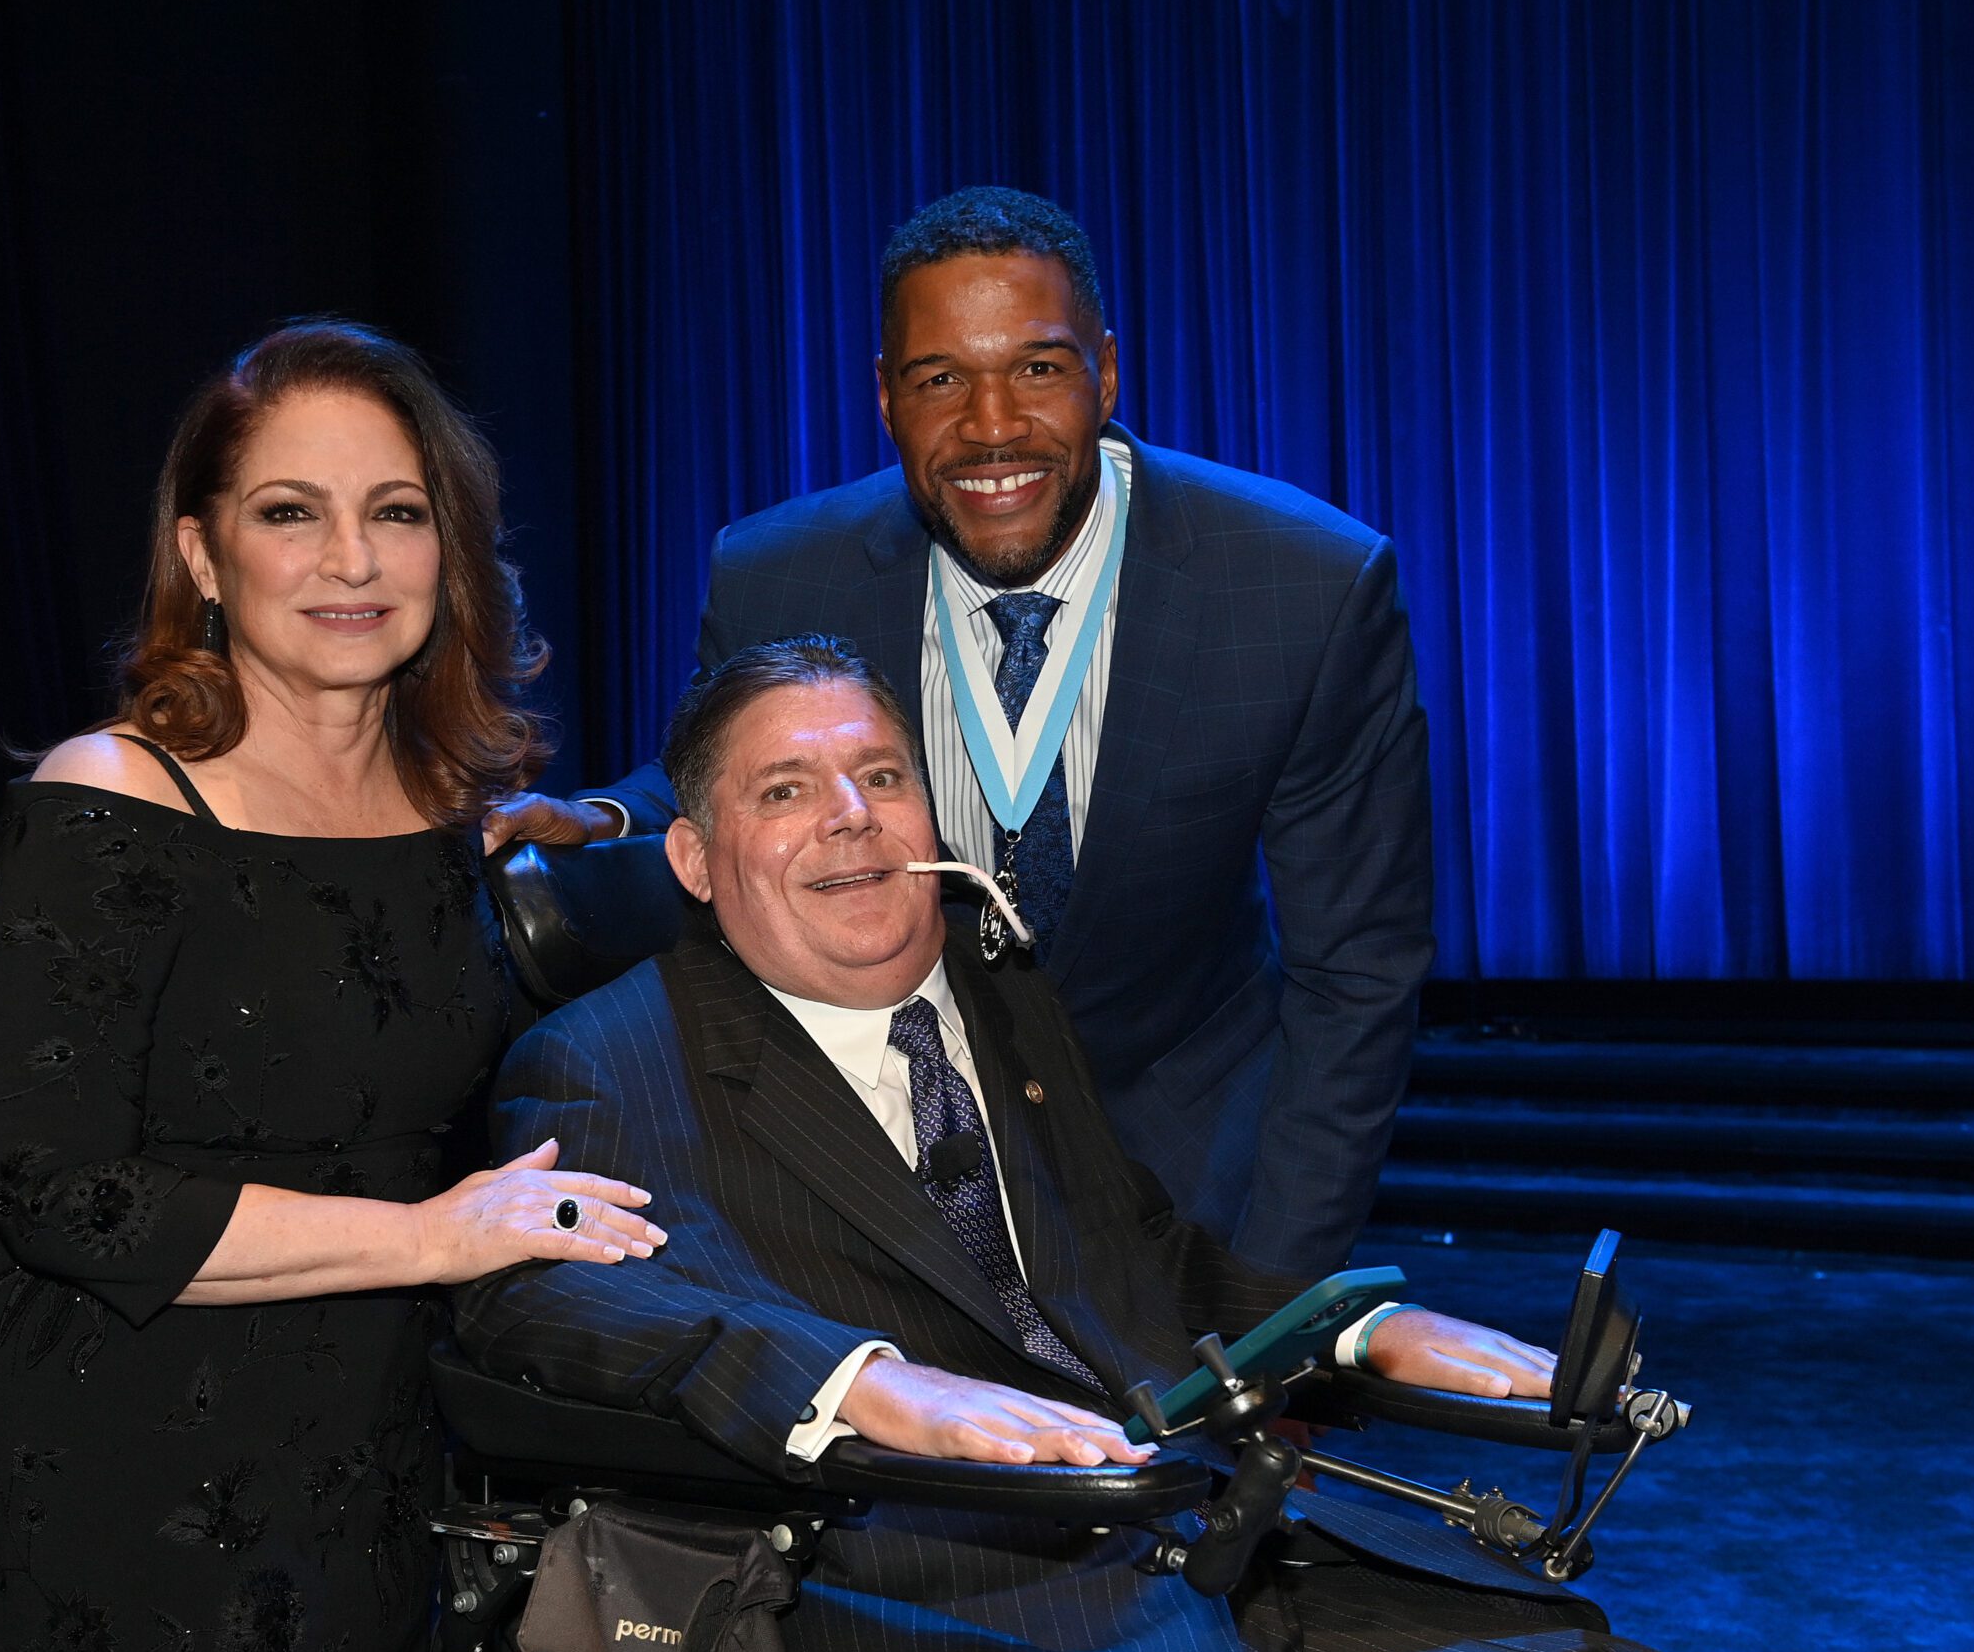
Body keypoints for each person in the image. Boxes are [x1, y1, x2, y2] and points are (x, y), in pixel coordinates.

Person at [457, 636, 1740, 1652]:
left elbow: (1141, 1257)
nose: (850, 817)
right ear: (692, 856)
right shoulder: (607, 1058)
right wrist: (864, 1382)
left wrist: (1358, 1332)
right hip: (953, 1621)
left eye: (882, 775)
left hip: (1202, 1561)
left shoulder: (999, 997)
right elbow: (538, 1294)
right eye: (784, 790)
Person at [0, 321, 663, 1652]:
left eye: (395, 512)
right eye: (293, 512)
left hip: (382, 1436)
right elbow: (57, 1193)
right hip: (139, 1451)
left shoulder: (451, 807)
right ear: (205, 557)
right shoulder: (116, 792)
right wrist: (429, 1236)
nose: (351, 559)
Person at [487, 186, 1431, 1279]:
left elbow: (1356, 974)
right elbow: (729, 775)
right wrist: (605, 816)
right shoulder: (779, 569)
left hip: (1189, 1171)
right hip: (883, 1178)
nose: (991, 426)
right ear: (886, 399)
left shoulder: (1301, 587)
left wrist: (1281, 1315)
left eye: (1037, 367)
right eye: (941, 379)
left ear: (1107, 373)